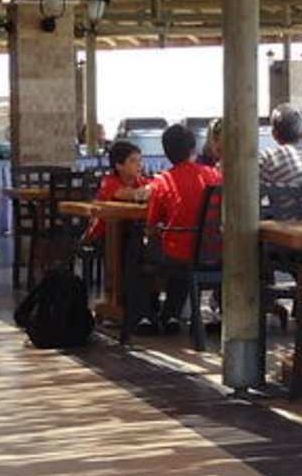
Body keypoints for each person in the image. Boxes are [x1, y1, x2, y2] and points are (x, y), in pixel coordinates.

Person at [139, 122, 221, 333]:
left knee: (142, 252)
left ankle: (147, 314)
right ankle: (171, 314)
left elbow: (150, 226)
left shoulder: (163, 181)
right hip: (216, 251)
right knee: (183, 248)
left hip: (179, 252)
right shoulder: (214, 175)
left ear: (166, 153)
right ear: (194, 148)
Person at [84, 138, 151, 245]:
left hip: (128, 234)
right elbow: (127, 194)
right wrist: (148, 191)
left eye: (140, 160)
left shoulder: (141, 181)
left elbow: (156, 189)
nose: (139, 165)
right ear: (119, 166)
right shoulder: (109, 182)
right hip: (104, 235)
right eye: (133, 161)